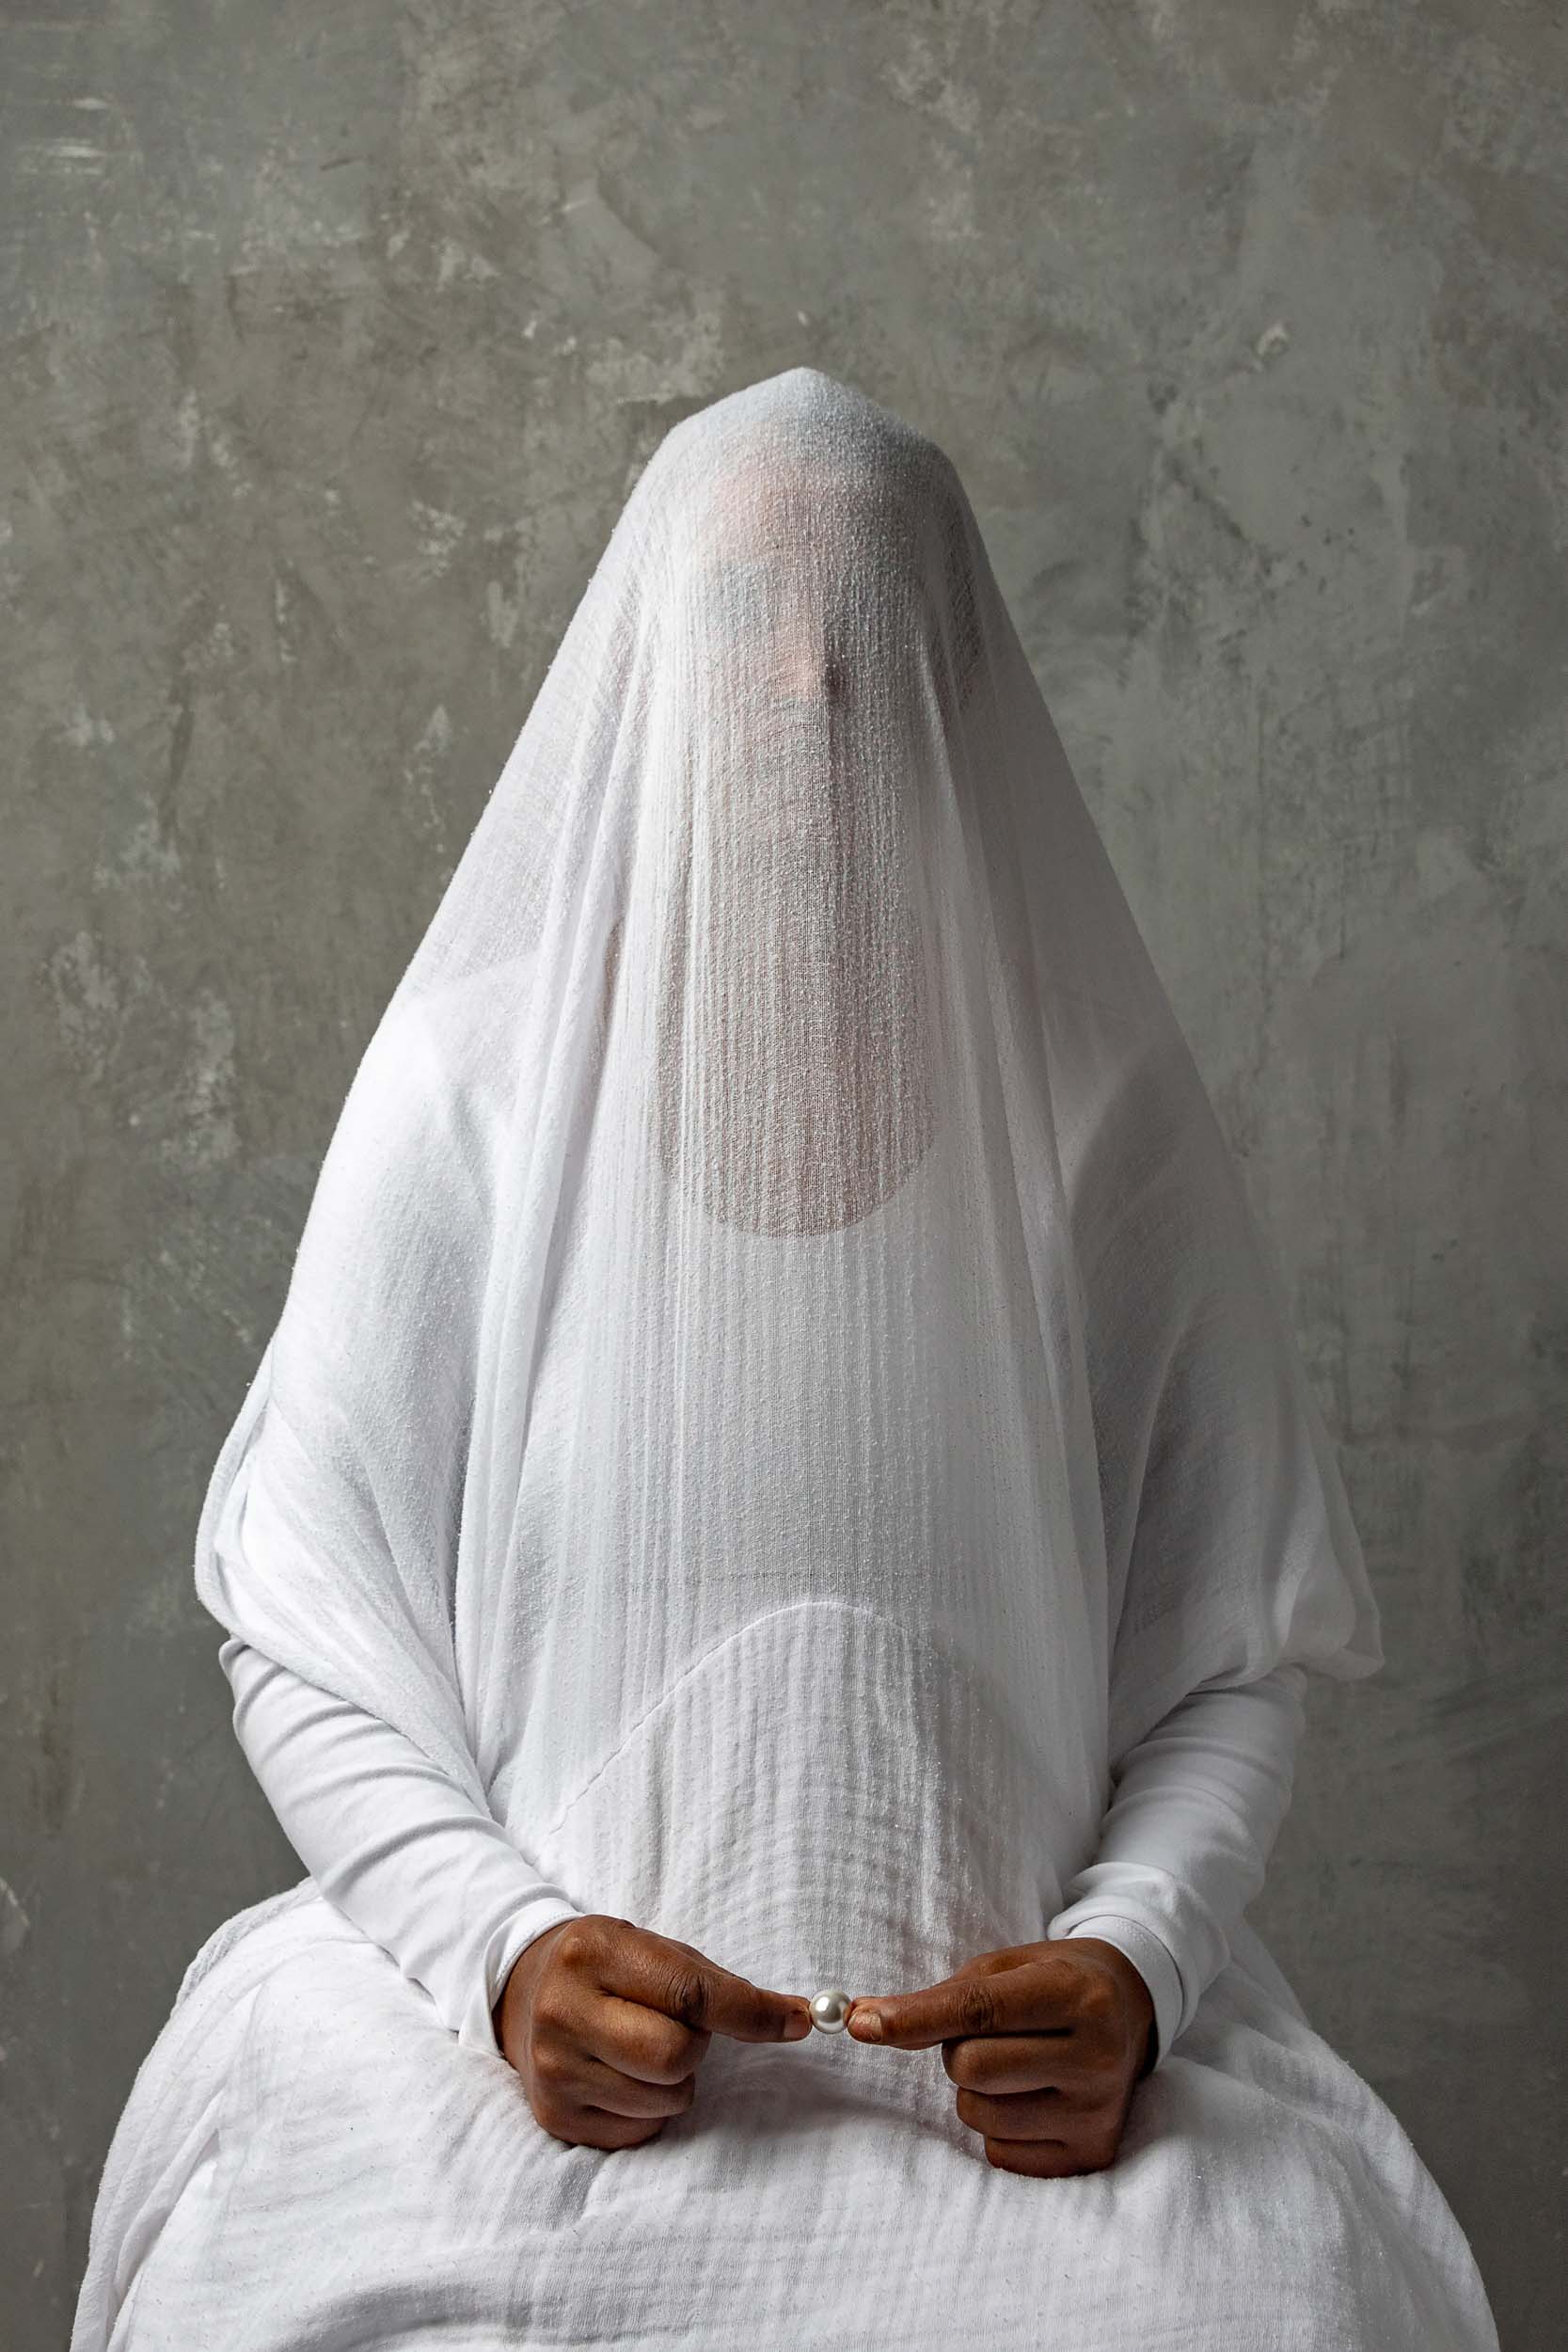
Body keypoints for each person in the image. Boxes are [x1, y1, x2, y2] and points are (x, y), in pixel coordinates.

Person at [72, 366, 1497, 2349]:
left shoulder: (1101, 1120)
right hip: (505, 2074)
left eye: (864, 623)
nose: (808, 682)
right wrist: (503, 1952)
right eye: (750, 613)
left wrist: (1135, 1966)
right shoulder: (474, 1094)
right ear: (655, 661)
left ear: (957, 687)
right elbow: (306, 1628)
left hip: (1020, 2132)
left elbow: (1228, 1657)